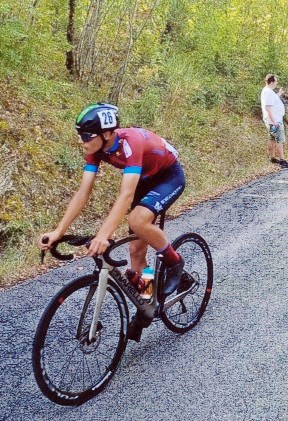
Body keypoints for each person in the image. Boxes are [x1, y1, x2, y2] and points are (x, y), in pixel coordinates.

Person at [37, 103, 186, 341]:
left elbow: (125, 195)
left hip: (168, 176)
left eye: (86, 136)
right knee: (136, 251)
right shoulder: (95, 150)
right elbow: (83, 193)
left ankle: (175, 262)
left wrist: (103, 235)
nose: (81, 141)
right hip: (144, 180)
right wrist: (58, 231)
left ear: (106, 133)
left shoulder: (131, 142)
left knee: (137, 220)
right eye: (79, 135)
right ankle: (147, 302)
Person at [260, 74, 288, 168]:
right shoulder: (268, 92)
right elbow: (267, 108)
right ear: (272, 82)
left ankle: (272, 157)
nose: (276, 83)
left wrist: (279, 93)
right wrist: (273, 121)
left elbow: (273, 101)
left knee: (272, 138)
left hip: (272, 119)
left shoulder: (268, 91)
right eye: (276, 81)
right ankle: (282, 160)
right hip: (274, 120)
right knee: (279, 139)